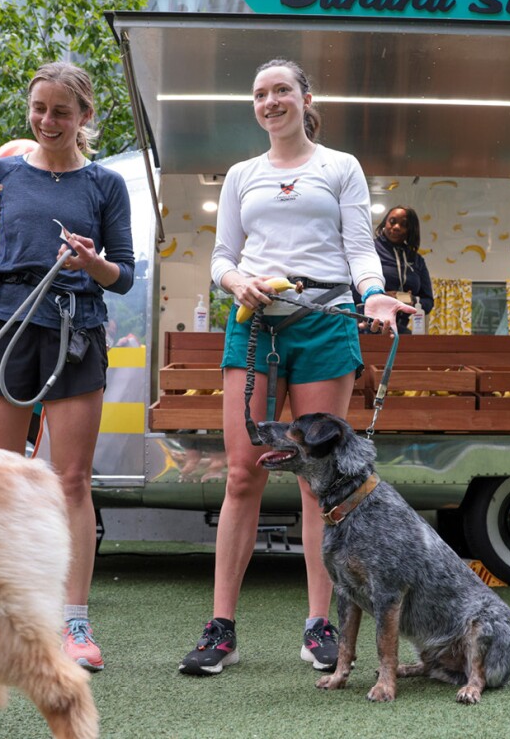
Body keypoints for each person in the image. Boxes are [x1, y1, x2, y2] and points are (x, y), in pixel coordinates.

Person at [179, 58, 415, 676]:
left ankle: (319, 625)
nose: (270, 101)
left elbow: (360, 246)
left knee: (319, 484)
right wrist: (236, 280)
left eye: (281, 90)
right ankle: (221, 627)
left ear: (305, 97)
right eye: (260, 94)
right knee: (241, 474)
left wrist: (373, 294)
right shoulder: (241, 174)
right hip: (255, 325)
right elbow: (222, 256)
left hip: (325, 321)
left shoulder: (340, 166)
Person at [0, 61, 134, 672]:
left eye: (62, 111)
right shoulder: (0, 173)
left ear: (84, 116)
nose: (48, 121)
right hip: (5, 324)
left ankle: (74, 622)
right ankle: (4, 615)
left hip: (75, 328)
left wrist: (93, 264)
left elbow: (126, 276)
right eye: (40, 109)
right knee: (1, 479)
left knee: (70, 481)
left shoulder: (105, 184)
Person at [370, 205, 433, 334]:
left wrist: (410, 299)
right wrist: (383, 296)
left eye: (404, 224)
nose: (396, 227)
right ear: (385, 223)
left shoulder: (417, 260)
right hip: (368, 327)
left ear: (410, 230)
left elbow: (428, 302)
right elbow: (351, 290)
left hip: (400, 329)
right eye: (392, 222)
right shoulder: (369, 250)